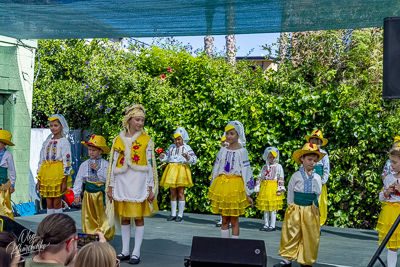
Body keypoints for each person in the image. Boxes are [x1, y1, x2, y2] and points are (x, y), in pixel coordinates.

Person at [106, 104, 159, 264]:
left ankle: (136, 252)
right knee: (124, 218)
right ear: (129, 120)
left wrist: (151, 187)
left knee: (138, 217)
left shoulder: (147, 140)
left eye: (142, 120)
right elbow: (113, 164)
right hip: (122, 183)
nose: (140, 123)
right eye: (137, 119)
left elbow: (150, 164)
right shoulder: (118, 139)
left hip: (139, 183)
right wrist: (111, 185)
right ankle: (125, 251)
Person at [274, 142, 325, 267]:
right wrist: (290, 205)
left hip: (310, 209)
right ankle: (287, 259)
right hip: (296, 207)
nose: (311, 162)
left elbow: (318, 193)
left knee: (310, 235)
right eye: (309, 159)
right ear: (302, 159)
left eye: (314, 160)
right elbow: (291, 191)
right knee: (292, 232)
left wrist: (314, 206)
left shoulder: (317, 177)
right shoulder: (295, 176)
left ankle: (306, 260)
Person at [208, 121, 254, 238]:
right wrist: (212, 187)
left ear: (238, 135)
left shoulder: (242, 152)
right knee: (224, 219)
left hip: (235, 187)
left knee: (234, 220)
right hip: (222, 186)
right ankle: (224, 246)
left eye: (232, 133)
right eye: (227, 133)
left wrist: (248, 193)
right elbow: (216, 169)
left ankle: (234, 247)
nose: (229, 136)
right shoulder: (222, 151)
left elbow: (246, 171)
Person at [73, 134, 115, 241]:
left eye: (94, 150)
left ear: (100, 151)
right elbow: (79, 179)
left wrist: (98, 170)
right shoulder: (84, 164)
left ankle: (103, 236)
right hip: (88, 195)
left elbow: (108, 179)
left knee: (104, 217)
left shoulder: (105, 165)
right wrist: (77, 194)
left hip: (101, 195)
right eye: (89, 150)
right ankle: (91, 237)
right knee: (89, 216)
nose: (91, 152)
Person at [37, 114, 73, 215]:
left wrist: (64, 181)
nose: (53, 128)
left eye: (56, 125)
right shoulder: (47, 142)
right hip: (47, 174)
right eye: (51, 125)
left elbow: (67, 161)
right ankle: (50, 224)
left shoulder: (64, 142)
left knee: (57, 202)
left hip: (58, 174)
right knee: (48, 202)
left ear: (62, 126)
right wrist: (39, 179)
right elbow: (41, 160)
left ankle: (58, 225)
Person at [159, 127, 197, 222]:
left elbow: (194, 160)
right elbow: (166, 157)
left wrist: (188, 157)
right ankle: (173, 214)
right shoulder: (171, 147)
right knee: (173, 192)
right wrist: (162, 156)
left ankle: (180, 214)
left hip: (181, 171)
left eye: (179, 139)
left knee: (180, 192)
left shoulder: (187, 148)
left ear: (183, 138)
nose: (177, 141)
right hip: (171, 170)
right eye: (175, 139)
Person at [377, 146, 400, 267]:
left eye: (394, 162)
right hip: (391, 215)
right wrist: (386, 193)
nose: (391, 165)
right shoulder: (389, 178)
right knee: (393, 245)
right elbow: (381, 197)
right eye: (391, 162)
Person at [254, 147, 285, 231]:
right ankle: (266, 224)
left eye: (274, 157)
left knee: (273, 208)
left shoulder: (278, 167)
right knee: (266, 208)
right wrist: (257, 189)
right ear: (267, 157)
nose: (272, 159)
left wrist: (279, 189)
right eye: (270, 157)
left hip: (273, 188)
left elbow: (280, 178)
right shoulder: (264, 167)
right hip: (265, 187)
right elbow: (259, 177)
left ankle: (272, 225)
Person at [305, 129, 330, 226]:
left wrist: (323, 180)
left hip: (318, 182)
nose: (315, 144)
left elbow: (326, 169)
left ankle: (317, 225)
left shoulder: (324, 154)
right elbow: (302, 166)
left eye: (317, 142)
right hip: (307, 182)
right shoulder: (307, 152)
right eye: (313, 141)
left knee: (317, 203)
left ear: (321, 143)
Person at [0, 129, 16, 220]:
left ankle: (6, 222)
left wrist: (12, 184)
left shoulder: (8, 155)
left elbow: (12, 170)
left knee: (3, 203)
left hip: (3, 183)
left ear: (4, 144)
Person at [215, 133, 229, 227]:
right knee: (221, 200)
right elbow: (217, 165)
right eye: (223, 141)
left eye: (226, 141)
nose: (224, 143)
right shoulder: (220, 152)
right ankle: (222, 219)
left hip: (232, 180)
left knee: (230, 201)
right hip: (221, 178)